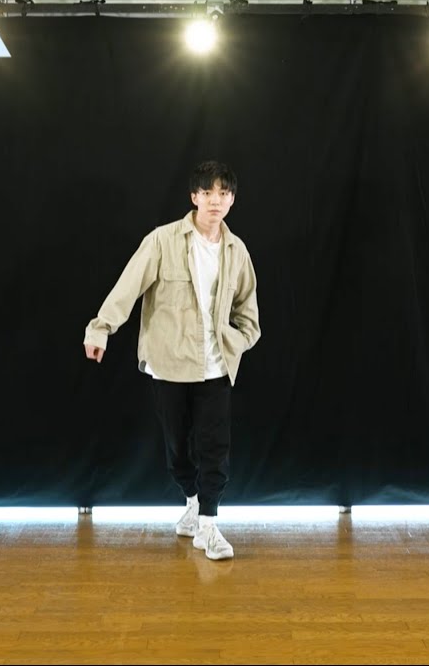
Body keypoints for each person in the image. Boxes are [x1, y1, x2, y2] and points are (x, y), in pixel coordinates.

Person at [83, 160, 261, 561]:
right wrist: (100, 330)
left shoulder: (237, 251)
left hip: (216, 367)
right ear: (194, 197)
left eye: (224, 193)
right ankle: (193, 501)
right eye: (208, 192)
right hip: (169, 364)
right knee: (177, 449)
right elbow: (128, 287)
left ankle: (209, 525)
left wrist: (235, 342)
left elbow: (249, 314)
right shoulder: (162, 241)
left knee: (215, 447)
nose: (215, 201)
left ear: (232, 200)